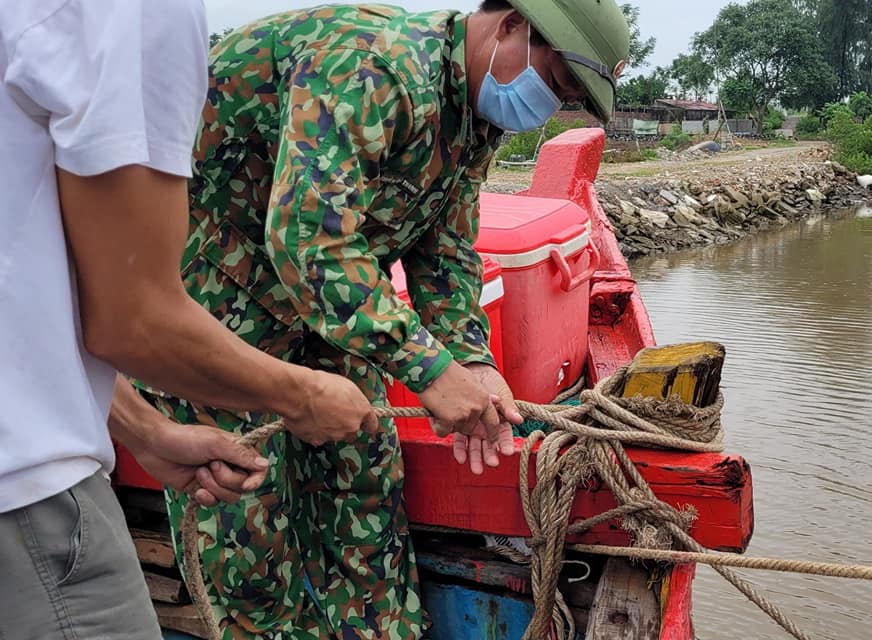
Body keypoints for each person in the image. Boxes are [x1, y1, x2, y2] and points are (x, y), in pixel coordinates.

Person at [127, 0, 631, 637]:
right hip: (213, 297)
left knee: (365, 479)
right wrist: (428, 369)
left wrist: (470, 358)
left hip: (320, 309)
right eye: (555, 84)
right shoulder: (377, 66)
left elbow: (444, 246)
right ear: (508, 26)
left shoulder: (471, 109)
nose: (548, 106)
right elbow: (308, 239)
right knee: (247, 523)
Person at [0, 1, 380, 639]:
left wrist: (147, 430)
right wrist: (305, 396)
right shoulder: (134, 11)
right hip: (27, 502)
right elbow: (134, 321)